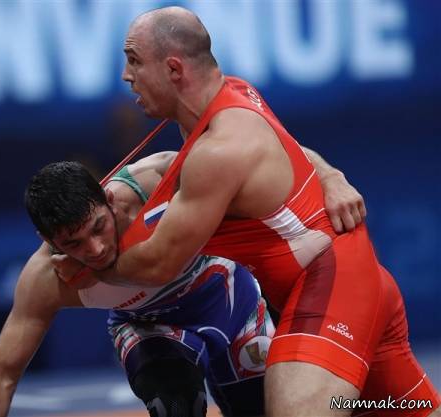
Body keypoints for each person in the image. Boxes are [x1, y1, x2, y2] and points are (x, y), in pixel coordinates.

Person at [52, 7, 441, 417]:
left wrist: (90, 266)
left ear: (173, 68)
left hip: (332, 285)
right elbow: (287, 151)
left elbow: (159, 263)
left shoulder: (218, 151)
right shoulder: (236, 94)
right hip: (356, 279)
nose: (125, 75)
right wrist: (330, 173)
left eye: (134, 60)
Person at [0, 147, 363, 417]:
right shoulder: (47, 278)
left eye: (98, 227)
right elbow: (0, 374)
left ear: (108, 198)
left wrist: (331, 177)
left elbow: (267, 151)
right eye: (73, 244)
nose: (95, 248)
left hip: (235, 309)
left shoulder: (160, 179)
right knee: (175, 402)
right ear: (47, 240)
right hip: (151, 328)